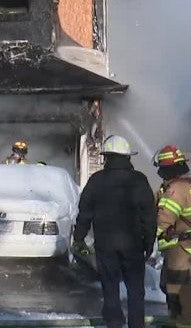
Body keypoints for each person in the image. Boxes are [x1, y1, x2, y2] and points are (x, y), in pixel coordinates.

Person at [73, 135, 156, 328]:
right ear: (127, 157)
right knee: (136, 290)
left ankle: (114, 323)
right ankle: (136, 324)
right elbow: (149, 215)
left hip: (105, 245)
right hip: (134, 245)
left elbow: (84, 213)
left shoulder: (96, 181)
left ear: (106, 157)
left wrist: (79, 238)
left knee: (110, 287)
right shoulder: (139, 180)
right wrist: (149, 242)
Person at [154, 145, 191, 328]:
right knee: (174, 287)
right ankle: (177, 322)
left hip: (181, 248)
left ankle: (187, 323)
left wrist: (153, 234)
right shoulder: (190, 185)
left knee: (183, 290)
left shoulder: (175, 190)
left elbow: (165, 218)